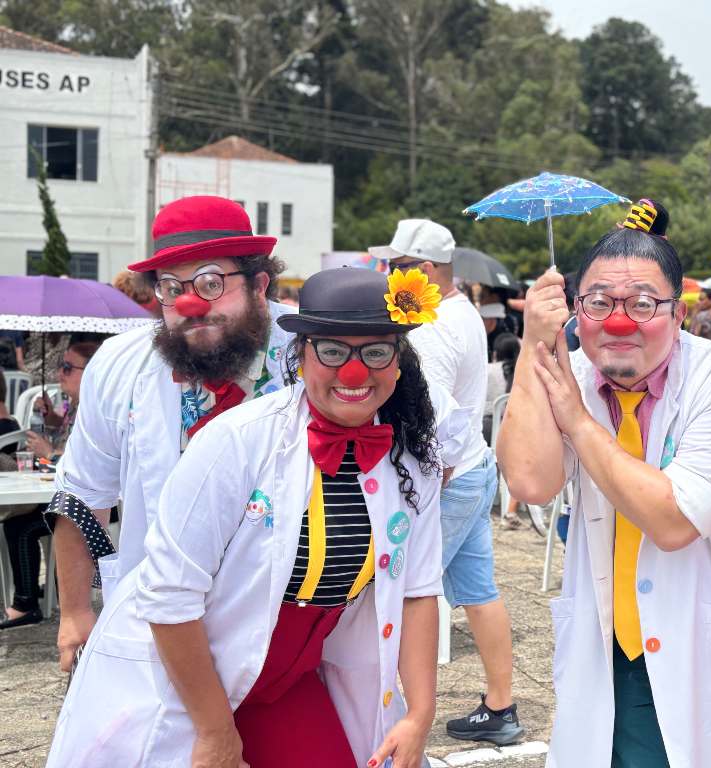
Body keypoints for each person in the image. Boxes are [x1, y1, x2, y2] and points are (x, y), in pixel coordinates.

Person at [46, 268, 444, 768]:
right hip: (190, 679)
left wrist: (420, 714)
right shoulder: (236, 441)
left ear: (398, 362)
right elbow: (169, 598)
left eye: (375, 352)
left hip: (290, 679)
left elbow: (418, 592)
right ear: (299, 355)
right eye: (333, 351)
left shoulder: (412, 458)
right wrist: (215, 732)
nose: (354, 373)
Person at [498, 199, 711, 767]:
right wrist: (535, 351)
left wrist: (579, 422)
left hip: (708, 643)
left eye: (642, 304)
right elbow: (532, 482)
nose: (618, 322)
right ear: (575, 311)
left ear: (679, 313)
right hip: (607, 642)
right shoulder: (573, 373)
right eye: (600, 303)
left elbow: (673, 519)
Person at [47, 195, 293, 672]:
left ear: (259, 284)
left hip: (288, 617)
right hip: (160, 620)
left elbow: (435, 448)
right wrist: (76, 611)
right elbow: (80, 491)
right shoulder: (119, 364)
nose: (189, 302)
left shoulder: (315, 351)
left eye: (211, 282)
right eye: (170, 286)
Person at [371, 220, 524, 745]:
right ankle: (500, 706)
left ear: (428, 271)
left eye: (399, 268)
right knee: (479, 593)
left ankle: (388, 713)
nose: (390, 276)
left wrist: (429, 472)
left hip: (451, 477)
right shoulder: (460, 312)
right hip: (472, 469)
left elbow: (434, 414)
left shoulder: (431, 325)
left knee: (401, 595)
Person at [1, 340, 104, 630]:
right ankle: (44, 593)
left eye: (68, 368)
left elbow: (92, 469)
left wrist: (51, 453)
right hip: (71, 500)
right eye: (61, 366)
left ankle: (26, 603)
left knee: (20, 528)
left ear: (94, 372)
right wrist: (53, 419)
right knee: (24, 522)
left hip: (96, 507)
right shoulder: (76, 406)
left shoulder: (98, 413)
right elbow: (68, 441)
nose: (60, 374)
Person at [483, 332, 522, 528]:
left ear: (496, 352)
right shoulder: (522, 372)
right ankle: (511, 509)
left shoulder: (488, 370)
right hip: (513, 432)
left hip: (487, 430)